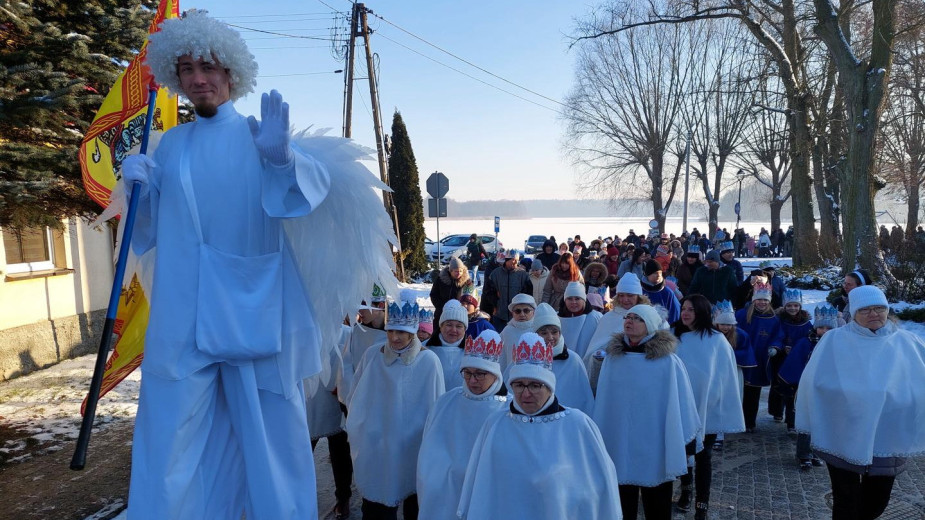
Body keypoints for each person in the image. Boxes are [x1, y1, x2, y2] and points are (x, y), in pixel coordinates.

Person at [121, 12, 397, 518]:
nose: (197, 77)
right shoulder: (171, 147)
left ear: (230, 74)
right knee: (171, 441)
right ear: (173, 78)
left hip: (250, 309)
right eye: (185, 68)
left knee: (270, 438)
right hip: (183, 316)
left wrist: (282, 161)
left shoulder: (255, 137)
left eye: (208, 66)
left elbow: (299, 199)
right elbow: (148, 236)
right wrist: (136, 190)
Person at [456, 333, 623, 519]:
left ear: (549, 387)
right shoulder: (496, 424)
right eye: (519, 385)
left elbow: (597, 491)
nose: (525, 393)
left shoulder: (578, 425)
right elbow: (481, 489)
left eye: (535, 385)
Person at [796, 286, 925, 520]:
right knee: (845, 498)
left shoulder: (908, 343)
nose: (874, 313)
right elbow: (815, 382)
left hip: (888, 434)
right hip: (842, 432)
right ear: (853, 313)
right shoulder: (834, 340)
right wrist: (855, 395)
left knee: (877, 499)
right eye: (865, 309)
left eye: (879, 308)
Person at [592, 304, 701, 520]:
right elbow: (605, 403)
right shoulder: (613, 360)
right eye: (628, 317)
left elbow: (683, 401)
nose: (629, 321)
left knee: (657, 502)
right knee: (621, 502)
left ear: (649, 325)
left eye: (637, 318)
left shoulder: (667, 362)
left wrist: (685, 442)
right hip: (620, 440)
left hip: (655, 441)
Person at [346, 301, 445, 519]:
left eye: (402, 332)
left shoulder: (428, 361)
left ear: (413, 333)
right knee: (377, 499)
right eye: (391, 331)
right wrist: (363, 428)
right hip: (377, 442)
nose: (394, 338)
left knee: (413, 498)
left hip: (412, 444)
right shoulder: (373, 355)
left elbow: (435, 406)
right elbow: (356, 394)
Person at [416, 330, 508, 520]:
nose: (472, 380)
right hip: (447, 486)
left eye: (480, 374)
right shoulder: (447, 401)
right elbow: (430, 447)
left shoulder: (507, 408)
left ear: (494, 374)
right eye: (467, 373)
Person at [672, 295, 745, 518]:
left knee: (704, 456)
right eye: (683, 308)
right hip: (679, 406)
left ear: (702, 312)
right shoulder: (671, 336)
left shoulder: (715, 340)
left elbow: (724, 376)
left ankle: (702, 505)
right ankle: (686, 491)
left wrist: (712, 399)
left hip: (708, 408)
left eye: (691, 310)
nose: (685, 313)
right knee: (683, 454)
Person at [777, 304, 838, 470]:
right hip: (807, 388)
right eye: (821, 328)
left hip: (827, 389)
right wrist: (794, 382)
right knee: (807, 421)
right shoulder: (805, 342)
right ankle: (803, 454)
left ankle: (817, 453)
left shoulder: (838, 345)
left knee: (821, 422)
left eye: (828, 328)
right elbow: (794, 362)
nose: (824, 331)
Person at [306, 323, 353, 520]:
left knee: (341, 454)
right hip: (309, 400)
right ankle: (301, 497)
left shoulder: (348, 333)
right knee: (302, 454)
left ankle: (343, 498)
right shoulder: (305, 329)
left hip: (337, 401)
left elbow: (353, 363)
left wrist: (343, 385)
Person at [530, 303, 595, 415]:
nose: (550, 337)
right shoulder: (528, 359)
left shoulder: (573, 360)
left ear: (560, 332)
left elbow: (585, 399)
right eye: (544, 333)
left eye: (554, 332)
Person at [736, 282, 784, 432]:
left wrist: (775, 347)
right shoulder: (743, 315)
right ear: (754, 299)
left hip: (760, 359)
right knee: (740, 391)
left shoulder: (774, 319)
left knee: (753, 392)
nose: (762, 303)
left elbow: (779, 336)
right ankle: (738, 420)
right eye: (759, 299)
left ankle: (750, 423)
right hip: (743, 358)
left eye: (765, 300)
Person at [772, 289, 812, 430]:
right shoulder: (779, 320)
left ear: (800, 306)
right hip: (781, 356)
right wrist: (781, 346)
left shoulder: (805, 323)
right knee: (779, 384)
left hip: (798, 359)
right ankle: (777, 411)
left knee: (793, 388)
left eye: (796, 305)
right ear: (785, 306)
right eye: (789, 305)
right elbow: (777, 335)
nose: (792, 308)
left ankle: (791, 420)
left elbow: (809, 337)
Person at [425, 300, 470, 391]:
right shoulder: (424, 348)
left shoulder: (472, 351)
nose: (453, 330)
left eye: (459, 326)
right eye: (449, 325)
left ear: (465, 329)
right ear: (441, 326)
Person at [487, 249, 533, 330]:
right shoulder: (495, 274)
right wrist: (495, 304)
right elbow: (489, 292)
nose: (515, 262)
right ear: (507, 260)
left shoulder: (523, 275)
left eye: (517, 260)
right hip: (499, 315)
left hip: (518, 315)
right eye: (513, 260)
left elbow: (528, 295)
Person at [557, 281, 603, 359]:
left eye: (577, 299)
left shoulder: (595, 317)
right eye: (570, 299)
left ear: (584, 300)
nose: (573, 302)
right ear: (565, 301)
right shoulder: (557, 317)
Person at [430, 256, 473, 325]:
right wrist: (442, 307)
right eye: (456, 271)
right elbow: (434, 294)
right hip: (442, 312)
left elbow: (470, 299)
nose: (458, 273)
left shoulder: (466, 282)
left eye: (460, 271)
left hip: (459, 315)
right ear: (450, 271)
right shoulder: (441, 280)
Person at [498, 293, 536, 371]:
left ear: (533, 311)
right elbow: (501, 358)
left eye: (526, 310)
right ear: (512, 313)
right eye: (518, 311)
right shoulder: (506, 332)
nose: (522, 314)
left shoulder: (539, 330)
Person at [641, 259, 681, 324]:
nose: (658, 275)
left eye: (660, 273)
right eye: (655, 273)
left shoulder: (667, 292)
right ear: (647, 275)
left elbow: (675, 312)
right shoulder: (639, 291)